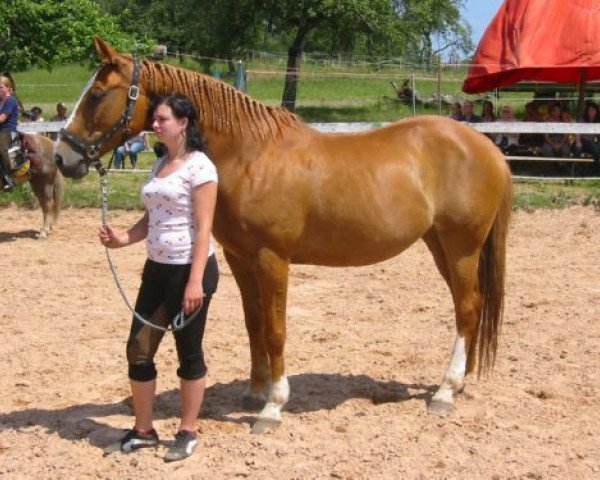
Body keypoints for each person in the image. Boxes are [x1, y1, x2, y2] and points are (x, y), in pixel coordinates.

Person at [98, 93, 219, 462]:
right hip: (156, 269)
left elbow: (203, 229)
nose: (154, 124)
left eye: (162, 119)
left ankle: (187, 431)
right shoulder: (160, 165)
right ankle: (144, 429)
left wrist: (196, 281)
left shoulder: (201, 168)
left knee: (189, 351)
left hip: (189, 270)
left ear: (183, 123)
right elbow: (151, 219)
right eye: (155, 119)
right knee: (138, 348)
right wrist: (123, 240)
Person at [0, 75, 20, 190]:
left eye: (1, 87)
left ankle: (8, 177)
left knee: (2, 148)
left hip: (8, 130)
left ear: (8, 87)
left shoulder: (11, 100)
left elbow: (2, 118)